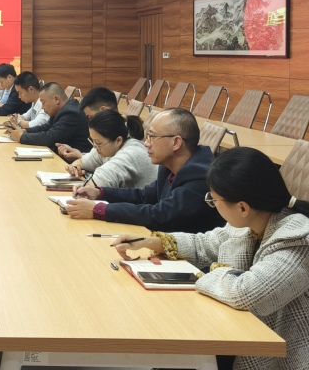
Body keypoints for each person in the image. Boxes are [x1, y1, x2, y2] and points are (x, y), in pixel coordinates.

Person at [115, 147, 309, 370]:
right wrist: (150, 241)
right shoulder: (252, 221)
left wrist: (206, 273)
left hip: (282, 356)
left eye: (214, 199)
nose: (213, 204)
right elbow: (205, 244)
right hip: (242, 334)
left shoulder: (297, 240)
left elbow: (247, 294)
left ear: (242, 207)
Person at [66, 108, 225, 233]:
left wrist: (99, 209)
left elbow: (160, 215)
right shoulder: (169, 166)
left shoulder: (200, 177)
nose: (146, 144)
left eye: (152, 137)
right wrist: (100, 193)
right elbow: (144, 196)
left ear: (176, 142)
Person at [64, 109, 156, 189]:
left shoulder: (132, 152)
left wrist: (86, 185)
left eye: (98, 143)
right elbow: (82, 161)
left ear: (118, 140)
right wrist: (75, 168)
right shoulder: (106, 147)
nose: (95, 147)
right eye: (93, 141)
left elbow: (100, 181)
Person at [6, 82, 91, 152]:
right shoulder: (62, 110)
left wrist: (22, 137)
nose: (42, 107)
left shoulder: (71, 113)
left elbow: (50, 138)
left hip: (73, 163)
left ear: (56, 99)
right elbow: (45, 127)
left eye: (43, 102)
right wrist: (24, 131)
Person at [56, 86, 118, 162]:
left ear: (103, 110)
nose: (89, 122)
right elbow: (98, 159)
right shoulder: (106, 131)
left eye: (91, 117)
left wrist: (80, 158)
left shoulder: (122, 136)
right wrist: (79, 155)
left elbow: (109, 165)